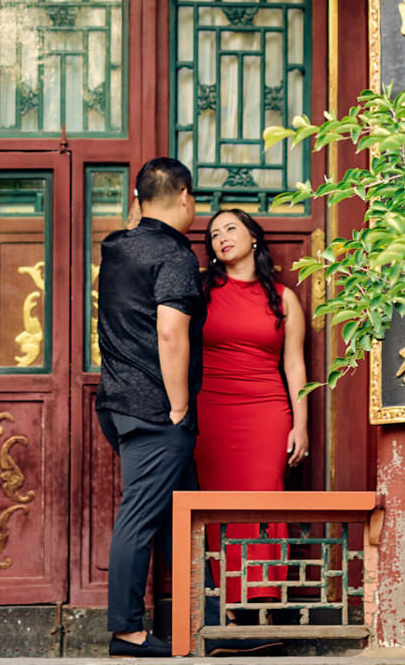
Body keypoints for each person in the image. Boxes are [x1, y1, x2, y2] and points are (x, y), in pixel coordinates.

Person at [95, 158, 201, 657]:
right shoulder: (175, 255)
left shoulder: (116, 247)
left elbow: (132, 226)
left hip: (117, 403)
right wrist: (179, 406)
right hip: (156, 409)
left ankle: (198, 621)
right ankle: (128, 632)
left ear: (137, 201)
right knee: (141, 515)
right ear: (185, 197)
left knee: (183, 513)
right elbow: (170, 331)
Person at [194, 208, 309, 615]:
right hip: (212, 411)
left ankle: (263, 601)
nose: (221, 237)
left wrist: (302, 425)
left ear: (253, 238)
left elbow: (295, 365)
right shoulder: (200, 291)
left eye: (230, 229)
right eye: (213, 234)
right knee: (218, 504)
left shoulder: (283, 298)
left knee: (265, 500)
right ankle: (224, 603)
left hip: (266, 410)